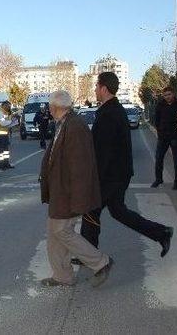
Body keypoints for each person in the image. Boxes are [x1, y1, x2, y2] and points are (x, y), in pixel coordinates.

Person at [79, 73, 173, 259]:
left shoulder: (109, 113)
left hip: (111, 175)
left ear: (104, 88)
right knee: (118, 211)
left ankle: (89, 255)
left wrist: (94, 177)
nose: (95, 90)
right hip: (118, 174)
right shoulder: (113, 110)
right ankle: (161, 233)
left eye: (97, 86)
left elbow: (103, 151)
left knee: (90, 210)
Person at [39, 90, 113, 288]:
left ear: (54, 107)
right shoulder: (64, 123)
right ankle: (63, 276)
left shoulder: (75, 126)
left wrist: (79, 200)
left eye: (49, 106)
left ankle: (101, 262)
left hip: (67, 193)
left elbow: (81, 167)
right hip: (59, 191)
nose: (48, 109)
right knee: (54, 234)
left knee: (61, 231)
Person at [152, 86, 177, 189]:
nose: (167, 97)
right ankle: (158, 179)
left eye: (169, 94)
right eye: (165, 95)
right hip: (163, 136)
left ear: (173, 94)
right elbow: (156, 119)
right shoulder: (160, 105)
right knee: (158, 158)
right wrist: (159, 131)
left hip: (176, 136)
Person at [0, 101, 18, 170]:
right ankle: (0, 165)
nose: (9, 107)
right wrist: (11, 121)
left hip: (4, 134)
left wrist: (14, 118)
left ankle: (6, 164)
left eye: (10, 106)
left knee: (6, 150)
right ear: (4, 105)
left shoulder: (6, 112)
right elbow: (3, 123)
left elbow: (9, 120)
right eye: (8, 106)